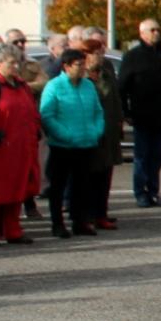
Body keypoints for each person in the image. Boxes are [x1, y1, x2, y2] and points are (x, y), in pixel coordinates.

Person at [0, 42, 42, 247]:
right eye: (11, 63)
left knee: (17, 188)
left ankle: (13, 230)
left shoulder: (21, 86)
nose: (16, 67)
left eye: (17, 62)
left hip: (20, 145)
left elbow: (30, 111)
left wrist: (35, 128)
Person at [38, 49, 103, 239]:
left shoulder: (88, 86)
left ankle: (80, 221)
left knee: (82, 185)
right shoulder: (54, 86)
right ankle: (57, 223)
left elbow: (98, 112)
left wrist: (96, 131)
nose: (83, 68)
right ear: (66, 66)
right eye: (79, 64)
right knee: (58, 186)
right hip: (63, 146)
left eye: (84, 63)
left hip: (86, 143)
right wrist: (65, 135)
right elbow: (47, 115)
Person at [118, 19, 161, 208]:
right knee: (142, 156)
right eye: (152, 30)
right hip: (142, 114)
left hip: (160, 115)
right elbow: (123, 87)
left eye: (158, 29)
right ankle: (141, 192)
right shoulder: (133, 56)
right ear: (142, 33)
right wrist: (126, 112)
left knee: (157, 156)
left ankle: (154, 191)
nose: (156, 33)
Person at [81, 31, 123, 232]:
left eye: (102, 49)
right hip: (90, 133)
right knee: (89, 176)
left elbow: (115, 96)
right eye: (97, 51)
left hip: (110, 129)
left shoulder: (107, 69)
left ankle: (101, 214)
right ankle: (86, 215)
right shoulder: (82, 74)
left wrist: (119, 122)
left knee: (105, 175)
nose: (102, 54)